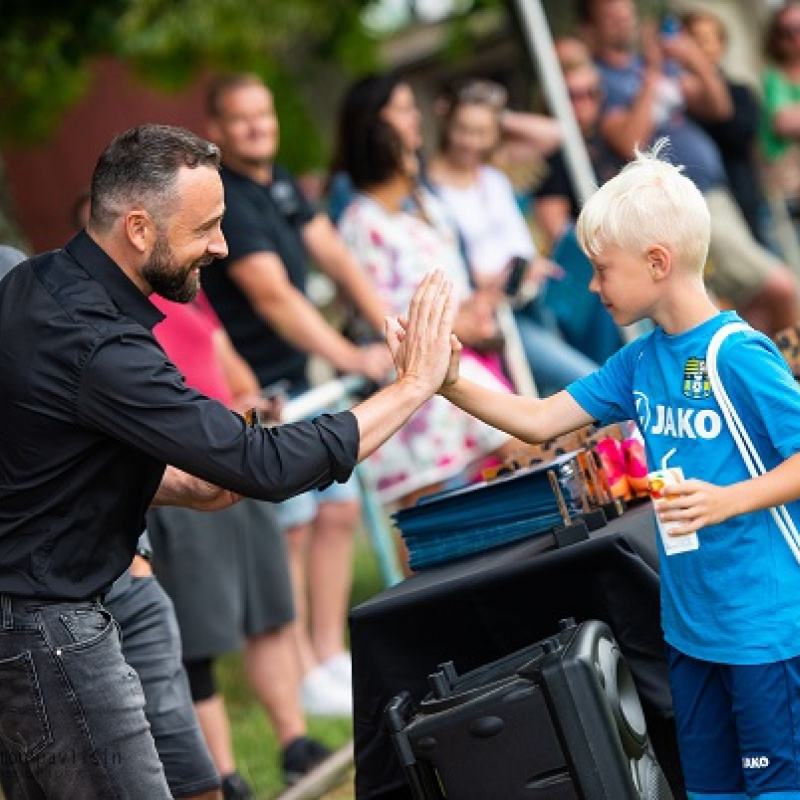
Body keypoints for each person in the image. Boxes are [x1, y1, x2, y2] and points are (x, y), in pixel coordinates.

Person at [0, 122, 458, 799]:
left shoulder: (37, 283)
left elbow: (44, 449)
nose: (220, 245)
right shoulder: (99, 344)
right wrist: (413, 387)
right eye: (204, 228)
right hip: (50, 627)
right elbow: (263, 466)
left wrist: (182, 481)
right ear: (136, 229)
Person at [434, 141, 800, 800]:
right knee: (713, 789)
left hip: (768, 632)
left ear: (657, 263)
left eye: (601, 270)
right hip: (692, 631)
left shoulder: (737, 354)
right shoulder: (640, 361)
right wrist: (446, 379)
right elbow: (543, 419)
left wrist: (728, 501)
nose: (594, 286)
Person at [202, 74, 395, 716]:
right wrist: (350, 354)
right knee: (291, 528)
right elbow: (275, 297)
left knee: (337, 512)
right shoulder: (227, 197)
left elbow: (334, 256)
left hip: (304, 384)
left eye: (265, 114)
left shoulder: (279, 181)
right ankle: (302, 669)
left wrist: (387, 328)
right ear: (218, 131)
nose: (259, 127)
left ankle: (329, 651)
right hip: (257, 391)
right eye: (242, 118)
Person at [147, 291, 331, 794]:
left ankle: (295, 744)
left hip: (236, 458)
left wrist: (247, 403)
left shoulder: (189, 293)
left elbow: (235, 370)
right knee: (197, 639)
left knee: (269, 612)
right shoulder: (104, 307)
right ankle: (224, 778)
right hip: (178, 478)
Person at [578, 0, 799, 336]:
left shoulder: (651, 64)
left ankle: (769, 379)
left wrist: (691, 57)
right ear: (589, 29)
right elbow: (628, 141)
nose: (624, 23)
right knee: (779, 287)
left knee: (745, 313)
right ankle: (787, 380)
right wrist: (652, 75)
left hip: (715, 194)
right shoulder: (603, 81)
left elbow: (719, 107)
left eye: (627, 15)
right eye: (612, 19)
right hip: (676, 205)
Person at [335, 108, 519, 508]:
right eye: (407, 152)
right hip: (416, 358)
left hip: (463, 348)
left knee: (515, 444)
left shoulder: (419, 207)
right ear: (393, 159)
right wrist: (453, 324)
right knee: (424, 494)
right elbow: (379, 306)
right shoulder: (360, 223)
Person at [426, 78, 599, 393]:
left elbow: (559, 134)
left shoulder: (494, 176)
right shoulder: (430, 193)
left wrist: (494, 112)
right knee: (583, 381)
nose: (470, 141)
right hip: (499, 314)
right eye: (462, 129)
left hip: (539, 294)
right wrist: (502, 277)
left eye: (481, 132)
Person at [681, 9, 771, 248]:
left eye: (706, 40)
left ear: (721, 46)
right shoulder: (674, 94)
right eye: (692, 40)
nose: (698, 49)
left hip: (743, 200)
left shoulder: (740, 92)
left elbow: (738, 133)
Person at [761, 1, 800, 222]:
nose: (795, 37)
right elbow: (783, 122)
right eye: (787, 32)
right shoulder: (774, 76)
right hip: (784, 174)